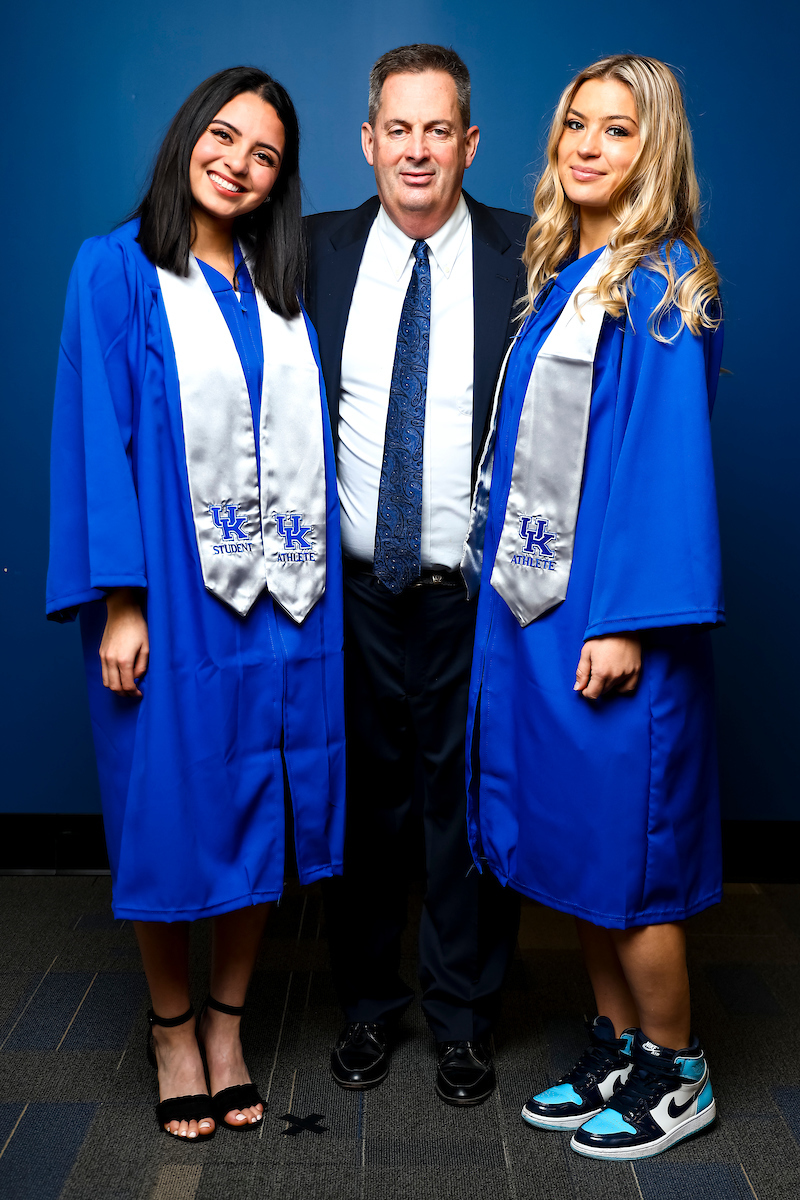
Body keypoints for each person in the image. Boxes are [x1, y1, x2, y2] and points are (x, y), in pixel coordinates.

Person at [46, 66, 345, 1141]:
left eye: (264, 154)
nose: (238, 163)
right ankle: (171, 1029)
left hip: (288, 601)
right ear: (187, 139)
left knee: (262, 796)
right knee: (169, 811)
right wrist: (120, 601)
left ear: (277, 181)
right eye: (223, 138)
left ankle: (227, 1025)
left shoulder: (280, 282)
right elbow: (98, 438)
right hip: (172, 593)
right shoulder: (116, 270)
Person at [464, 54, 724, 1159]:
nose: (586, 146)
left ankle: (677, 1070)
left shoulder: (660, 282)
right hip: (539, 615)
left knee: (633, 858)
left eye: (617, 131)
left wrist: (623, 623)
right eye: (575, 123)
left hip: (611, 623)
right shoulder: (567, 278)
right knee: (577, 846)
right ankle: (615, 1046)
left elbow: (662, 471)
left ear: (651, 150)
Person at [305, 43, 526, 1107]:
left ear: (469, 143)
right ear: (367, 140)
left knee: (464, 810)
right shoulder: (308, 254)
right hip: (350, 592)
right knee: (366, 809)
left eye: (438, 129)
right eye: (398, 128)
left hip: (471, 602)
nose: (417, 150)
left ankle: (462, 1020)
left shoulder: (529, 260)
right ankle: (364, 1008)